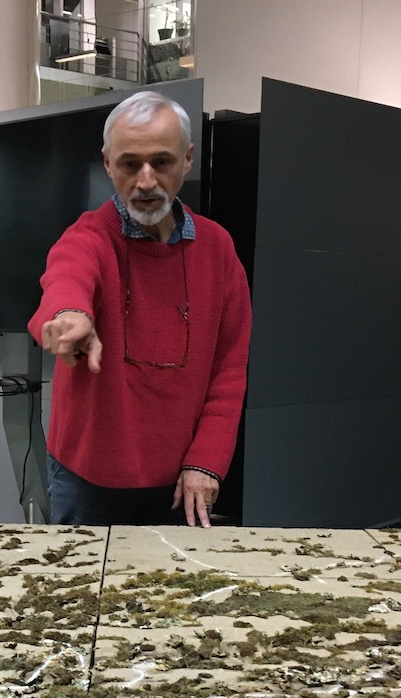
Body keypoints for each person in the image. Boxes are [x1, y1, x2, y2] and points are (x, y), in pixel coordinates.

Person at [28, 90, 251, 528]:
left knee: (173, 592)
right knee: (81, 592)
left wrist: (207, 460)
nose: (146, 181)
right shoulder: (89, 236)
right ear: (108, 164)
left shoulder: (218, 249)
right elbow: (67, 277)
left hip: (180, 481)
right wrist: (69, 316)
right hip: (87, 478)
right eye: (130, 164)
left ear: (187, 160)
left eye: (162, 162)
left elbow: (230, 367)